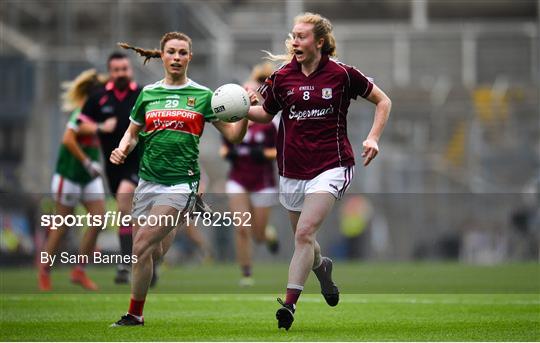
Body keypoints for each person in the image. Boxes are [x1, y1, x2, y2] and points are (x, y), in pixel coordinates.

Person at [246, 12, 392, 330]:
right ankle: (322, 269)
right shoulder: (283, 76)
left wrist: (373, 137)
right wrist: (240, 109)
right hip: (292, 169)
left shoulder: (342, 74)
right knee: (307, 243)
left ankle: (288, 306)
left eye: (302, 36)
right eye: (293, 36)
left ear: (320, 42)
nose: (295, 41)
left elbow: (383, 101)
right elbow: (263, 113)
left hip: (332, 165)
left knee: (304, 234)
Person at [109, 32, 254, 326]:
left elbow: (234, 138)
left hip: (181, 183)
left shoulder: (203, 96)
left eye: (182, 53)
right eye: (171, 52)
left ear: (190, 57)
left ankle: (134, 314)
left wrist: (245, 112)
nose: (176, 57)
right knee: (153, 252)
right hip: (148, 181)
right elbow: (132, 132)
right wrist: (122, 149)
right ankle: (170, 230)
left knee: (139, 248)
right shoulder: (148, 94)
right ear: (162, 56)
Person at [38, 69, 110, 291]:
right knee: (61, 227)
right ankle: (44, 272)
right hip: (69, 176)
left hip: (88, 179)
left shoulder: (100, 115)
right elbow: (68, 139)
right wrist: (88, 163)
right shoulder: (81, 112)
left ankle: (79, 271)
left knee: (99, 219)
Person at [78, 52, 142, 284]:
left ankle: (125, 262)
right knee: (132, 214)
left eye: (124, 69)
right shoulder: (99, 98)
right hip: (112, 165)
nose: (121, 73)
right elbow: (79, 127)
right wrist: (101, 126)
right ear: (110, 72)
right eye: (116, 70)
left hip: (140, 161)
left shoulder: (142, 94)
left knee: (125, 202)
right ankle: (148, 262)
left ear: (130, 69)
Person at [221, 62, 279, 287]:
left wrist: (262, 154)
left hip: (262, 181)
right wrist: (230, 153)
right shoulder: (231, 119)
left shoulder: (268, 123)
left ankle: (268, 235)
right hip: (238, 179)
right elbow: (224, 148)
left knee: (258, 235)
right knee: (241, 227)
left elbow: (279, 151)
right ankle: (246, 273)